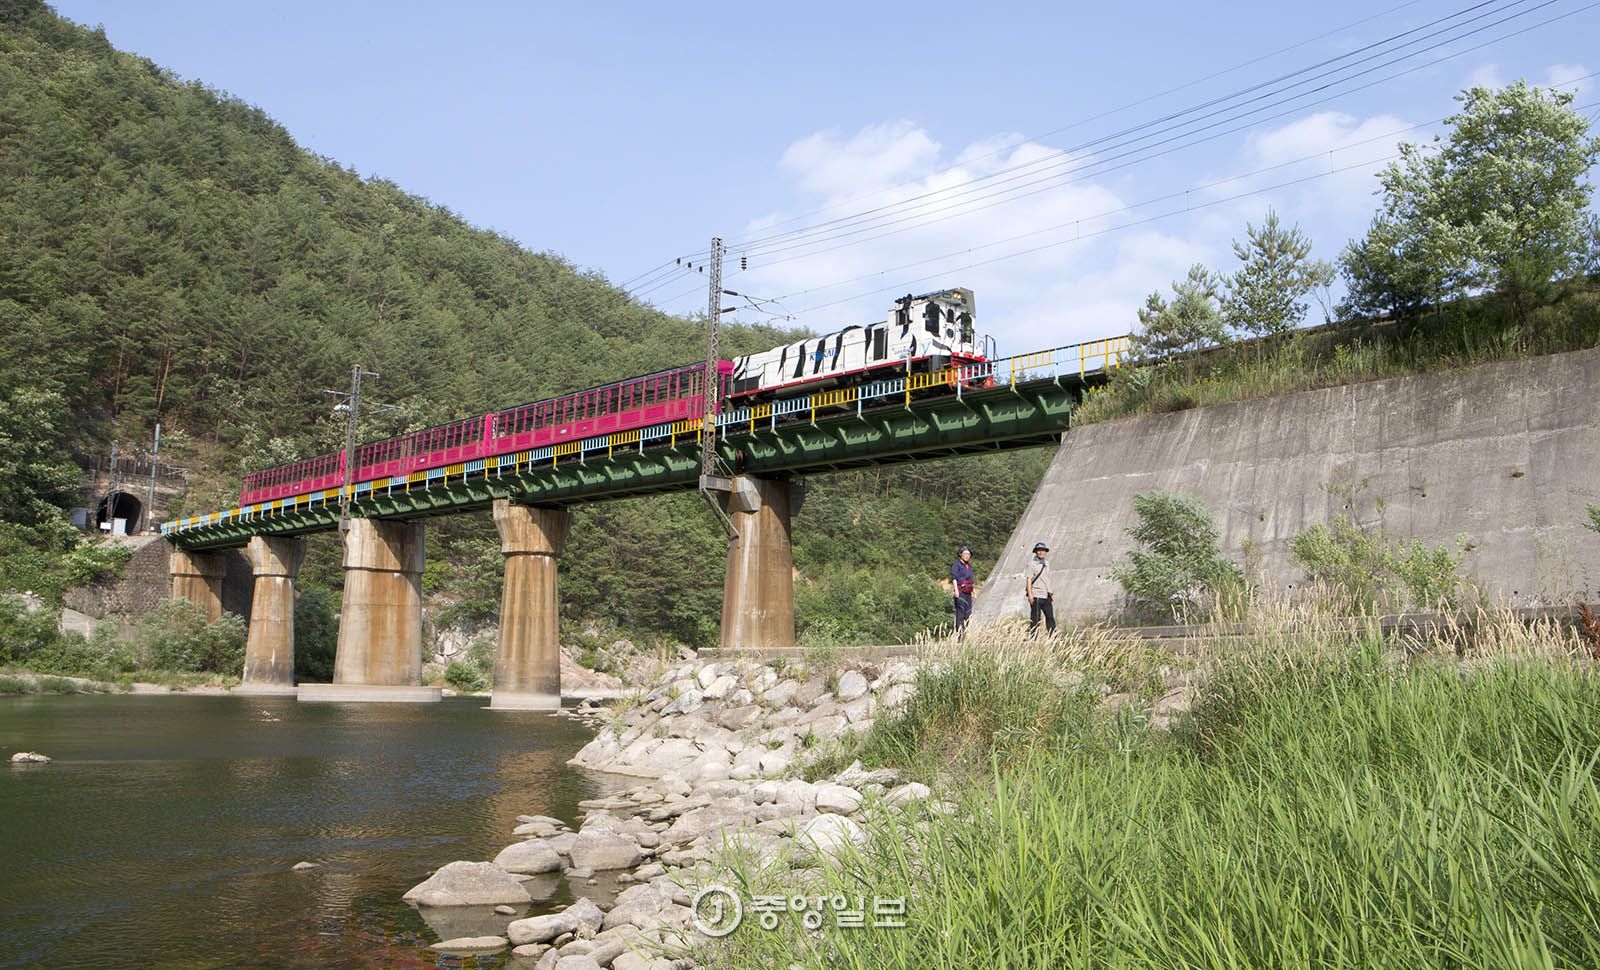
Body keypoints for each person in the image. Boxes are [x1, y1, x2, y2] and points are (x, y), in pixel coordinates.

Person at [1024, 540, 1056, 636]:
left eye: (1043, 550)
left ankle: (1053, 638)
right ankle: (1033, 639)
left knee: (1050, 618)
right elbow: (1029, 579)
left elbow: (1047, 579)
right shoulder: (1031, 564)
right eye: (1039, 550)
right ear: (1036, 552)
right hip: (1036, 595)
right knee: (1035, 619)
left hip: (1046, 595)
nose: (1041, 552)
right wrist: (1030, 595)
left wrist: (1050, 593)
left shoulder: (1047, 563)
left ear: (1046, 552)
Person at [950, 545, 976, 637]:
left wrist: (974, 592)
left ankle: (966, 634)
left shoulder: (969, 566)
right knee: (960, 613)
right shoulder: (956, 565)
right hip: (960, 591)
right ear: (961, 554)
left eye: (968, 554)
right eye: (965, 553)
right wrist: (956, 590)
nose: (967, 556)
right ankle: (959, 635)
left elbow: (971, 580)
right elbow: (954, 578)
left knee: (968, 614)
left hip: (968, 592)